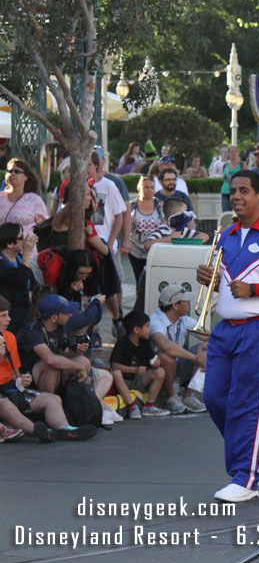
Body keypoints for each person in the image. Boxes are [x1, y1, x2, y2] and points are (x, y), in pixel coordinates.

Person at [194, 170, 259, 502]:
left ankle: (246, 478)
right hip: (226, 329)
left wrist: (255, 289)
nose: (236, 196)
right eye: (233, 191)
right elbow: (227, 285)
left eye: (244, 191)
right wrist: (209, 279)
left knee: (246, 404)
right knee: (214, 398)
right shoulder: (227, 235)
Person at [0, 296, 97, 442]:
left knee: (52, 399)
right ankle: (37, 431)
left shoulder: (9, 337)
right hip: (3, 395)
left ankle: (65, 429)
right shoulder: (32, 330)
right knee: (5, 404)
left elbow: (15, 373)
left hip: (12, 389)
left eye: (8, 314)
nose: (9, 319)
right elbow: (50, 359)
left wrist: (21, 379)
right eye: (3, 316)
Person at [147, 285, 208, 414]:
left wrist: (205, 349)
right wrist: (196, 357)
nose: (188, 304)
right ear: (175, 305)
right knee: (165, 356)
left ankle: (187, 396)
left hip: (178, 365)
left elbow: (211, 336)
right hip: (156, 366)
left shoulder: (183, 320)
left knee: (205, 350)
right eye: (186, 302)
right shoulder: (155, 321)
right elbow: (165, 346)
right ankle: (171, 397)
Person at [87, 150, 128, 331]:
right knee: (90, 288)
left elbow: (119, 216)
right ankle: (92, 327)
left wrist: (111, 243)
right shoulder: (75, 186)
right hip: (86, 243)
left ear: (96, 165)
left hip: (105, 243)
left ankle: (116, 319)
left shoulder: (109, 185)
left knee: (113, 286)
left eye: (88, 164)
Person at [109, 310, 165, 420]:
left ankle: (149, 406)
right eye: (147, 326)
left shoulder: (144, 342)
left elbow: (151, 358)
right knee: (116, 373)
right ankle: (132, 406)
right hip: (124, 381)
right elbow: (115, 365)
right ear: (136, 329)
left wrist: (155, 362)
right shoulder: (122, 342)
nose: (149, 330)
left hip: (139, 380)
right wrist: (134, 370)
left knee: (160, 372)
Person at [0, 158, 49, 262]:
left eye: (17, 171)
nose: (12, 173)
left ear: (26, 177)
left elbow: (45, 227)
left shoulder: (34, 200)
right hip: (2, 254)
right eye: (10, 171)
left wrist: (32, 242)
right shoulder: (0, 197)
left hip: (26, 255)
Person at [126, 176, 163, 309]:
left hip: (153, 250)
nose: (149, 190)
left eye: (152, 187)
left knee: (151, 280)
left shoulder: (159, 205)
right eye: (146, 187)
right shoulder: (132, 205)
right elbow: (121, 223)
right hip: (136, 249)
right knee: (139, 281)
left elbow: (164, 224)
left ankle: (150, 306)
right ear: (139, 188)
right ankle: (139, 308)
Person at [0, 223, 36, 335]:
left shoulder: (19, 259)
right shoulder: (1, 262)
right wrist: (27, 254)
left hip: (24, 313)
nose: (24, 241)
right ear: (10, 243)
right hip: (9, 316)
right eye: (21, 238)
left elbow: (32, 282)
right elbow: (20, 280)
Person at [220, 145, 244, 212]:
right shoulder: (225, 166)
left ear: (238, 153)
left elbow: (247, 178)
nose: (233, 153)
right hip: (226, 192)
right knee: (226, 212)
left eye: (235, 152)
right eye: (231, 152)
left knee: (238, 212)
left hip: (237, 192)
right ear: (228, 153)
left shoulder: (242, 165)